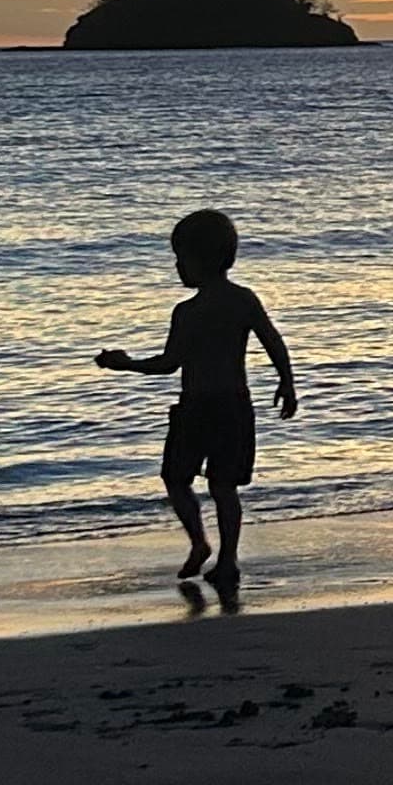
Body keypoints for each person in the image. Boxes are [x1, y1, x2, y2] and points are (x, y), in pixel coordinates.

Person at [96, 208, 296, 590]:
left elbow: (169, 364)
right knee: (224, 487)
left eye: (180, 259)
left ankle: (202, 543)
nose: (177, 267)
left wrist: (126, 364)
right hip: (235, 406)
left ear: (199, 261)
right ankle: (227, 559)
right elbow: (273, 340)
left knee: (176, 478)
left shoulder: (188, 311)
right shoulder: (243, 300)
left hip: (199, 407)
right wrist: (287, 382)